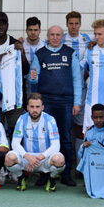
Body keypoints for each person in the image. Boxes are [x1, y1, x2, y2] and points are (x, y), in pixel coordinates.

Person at [28, 25, 81, 187]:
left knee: (65, 137)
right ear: (47, 36)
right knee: (45, 138)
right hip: (47, 102)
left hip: (66, 101)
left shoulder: (70, 53)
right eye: (52, 34)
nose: (55, 37)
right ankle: (45, 173)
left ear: (63, 36)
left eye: (58, 35)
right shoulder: (40, 54)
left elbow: (77, 79)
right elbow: (32, 81)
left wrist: (77, 102)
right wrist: (33, 78)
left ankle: (65, 173)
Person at [4, 93, 65, 193]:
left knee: (59, 159)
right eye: (32, 107)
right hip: (27, 158)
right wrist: (28, 157)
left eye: (37, 107)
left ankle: (51, 178)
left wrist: (39, 158)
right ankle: (21, 177)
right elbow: (15, 143)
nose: (35, 110)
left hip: (45, 158)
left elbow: (56, 146)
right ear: (27, 107)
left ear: (42, 107)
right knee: (9, 158)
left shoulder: (50, 120)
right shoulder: (21, 119)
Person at [62, 11, 93, 162]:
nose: (73, 26)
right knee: (64, 129)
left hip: (81, 90)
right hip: (64, 92)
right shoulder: (59, 39)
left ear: (80, 24)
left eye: (76, 23)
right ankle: (63, 164)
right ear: (66, 24)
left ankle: (80, 165)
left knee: (80, 129)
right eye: (71, 23)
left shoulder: (87, 39)